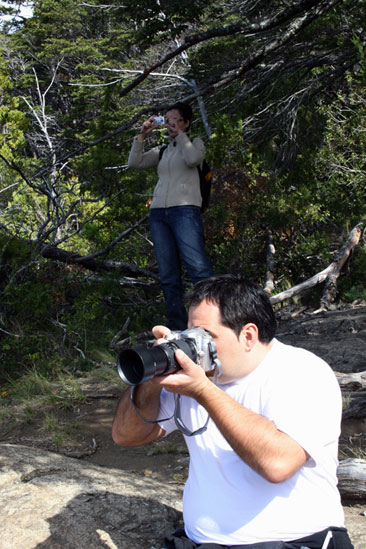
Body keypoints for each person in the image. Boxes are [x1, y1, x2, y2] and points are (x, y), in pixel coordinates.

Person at [112, 274, 353, 549]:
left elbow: (278, 464)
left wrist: (203, 391)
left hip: (292, 541)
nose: (193, 344)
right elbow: (125, 435)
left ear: (248, 335)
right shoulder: (197, 374)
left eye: (205, 336)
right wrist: (154, 377)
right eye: (189, 333)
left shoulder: (302, 372)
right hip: (201, 542)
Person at [128, 102, 214, 330]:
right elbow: (134, 163)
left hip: (185, 211)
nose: (170, 124)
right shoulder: (163, 151)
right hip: (159, 214)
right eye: (167, 119)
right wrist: (142, 135)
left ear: (186, 122)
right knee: (168, 274)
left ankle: (214, 321)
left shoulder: (195, 143)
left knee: (199, 269)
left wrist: (182, 136)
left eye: (175, 119)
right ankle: (177, 328)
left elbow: (193, 159)